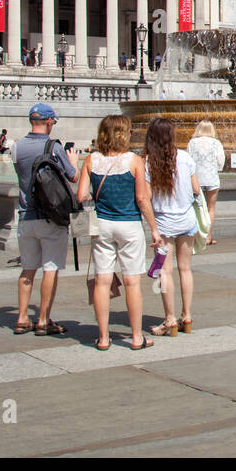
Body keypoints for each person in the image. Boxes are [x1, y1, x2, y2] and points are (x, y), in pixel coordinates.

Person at [78, 114, 158, 350]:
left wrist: (100, 195)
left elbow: (81, 195)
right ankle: (136, 337)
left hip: (102, 224)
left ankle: (103, 338)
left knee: (102, 281)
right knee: (132, 281)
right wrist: (154, 228)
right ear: (124, 134)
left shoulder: (91, 160)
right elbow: (143, 199)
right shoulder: (134, 161)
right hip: (129, 225)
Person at [10, 104, 79, 335]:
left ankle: (21, 318)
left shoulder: (16, 147)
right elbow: (72, 176)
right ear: (49, 122)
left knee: (28, 268)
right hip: (50, 217)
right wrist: (74, 162)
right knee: (50, 268)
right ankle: (43, 319)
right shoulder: (53, 146)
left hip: (25, 215)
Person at [145, 117, 202, 337]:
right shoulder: (186, 158)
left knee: (164, 270)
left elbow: (146, 196)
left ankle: (169, 319)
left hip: (163, 222)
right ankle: (186, 315)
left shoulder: (148, 162)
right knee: (185, 269)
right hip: (187, 219)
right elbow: (196, 189)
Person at [187, 120, 225, 245]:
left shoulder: (192, 143)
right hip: (212, 178)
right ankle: (207, 237)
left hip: (196, 179)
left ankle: (196, 237)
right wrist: (215, 169)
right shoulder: (216, 143)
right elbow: (221, 161)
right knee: (211, 208)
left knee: (195, 208)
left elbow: (188, 160)